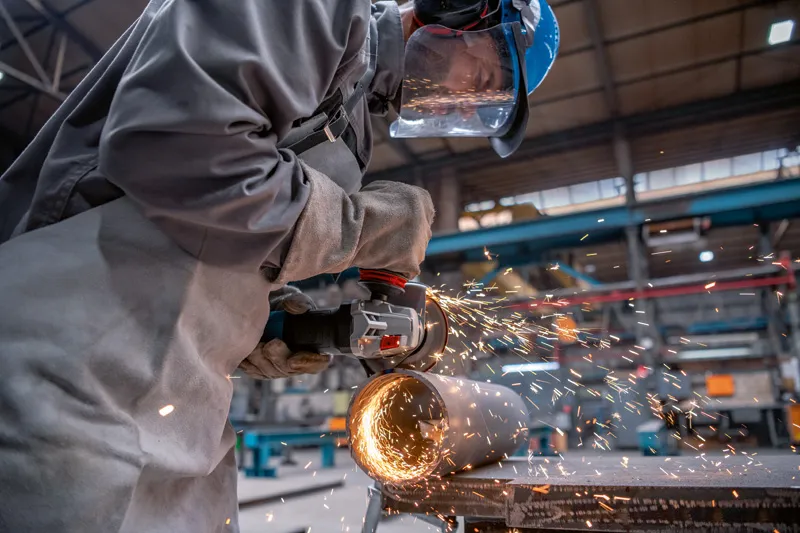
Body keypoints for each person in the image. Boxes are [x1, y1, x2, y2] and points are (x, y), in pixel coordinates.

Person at [0, 0, 558, 531]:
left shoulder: (354, 118)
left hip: (175, 414)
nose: (464, 104)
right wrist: (360, 228)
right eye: (482, 80)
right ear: (455, 9)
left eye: (481, 107)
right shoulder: (320, 10)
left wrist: (253, 323)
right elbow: (174, 149)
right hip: (65, 369)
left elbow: (208, 234)